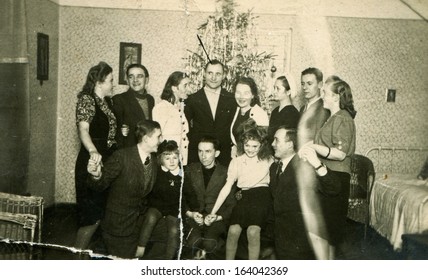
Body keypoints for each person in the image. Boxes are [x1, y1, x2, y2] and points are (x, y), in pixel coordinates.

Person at [86, 120, 162, 259]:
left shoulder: (154, 160)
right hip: (118, 226)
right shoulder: (122, 157)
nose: (161, 140)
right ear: (146, 138)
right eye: (158, 136)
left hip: (136, 226)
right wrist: (97, 174)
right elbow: (99, 185)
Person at [299, 77, 357, 259]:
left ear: (336, 97)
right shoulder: (333, 118)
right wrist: (310, 144)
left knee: (327, 233)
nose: (322, 95)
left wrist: (314, 148)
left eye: (325, 93)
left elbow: (340, 153)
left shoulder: (343, 119)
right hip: (326, 176)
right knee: (323, 233)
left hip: (336, 179)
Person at [208, 125, 273, 260]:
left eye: (255, 146)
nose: (250, 149)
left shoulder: (268, 160)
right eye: (247, 145)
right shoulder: (236, 162)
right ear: (242, 144)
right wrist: (213, 212)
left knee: (253, 232)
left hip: (261, 197)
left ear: (262, 145)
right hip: (244, 197)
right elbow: (227, 187)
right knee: (233, 231)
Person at [74, 61, 117, 250]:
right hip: (92, 161)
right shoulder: (87, 99)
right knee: (91, 216)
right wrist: (92, 150)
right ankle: (76, 256)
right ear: (99, 82)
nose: (112, 84)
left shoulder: (107, 102)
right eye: (110, 80)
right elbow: (83, 129)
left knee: (102, 214)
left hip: (106, 161)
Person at [137, 140, 197, 259]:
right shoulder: (158, 172)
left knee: (174, 230)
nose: (171, 161)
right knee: (151, 217)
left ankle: (168, 260)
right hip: (157, 205)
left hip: (174, 208)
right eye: (167, 158)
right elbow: (147, 188)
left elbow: (190, 193)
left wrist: (195, 208)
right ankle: (140, 247)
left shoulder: (182, 174)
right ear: (160, 159)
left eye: (175, 158)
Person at [183, 136, 236, 259]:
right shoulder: (190, 169)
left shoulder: (226, 173)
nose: (203, 156)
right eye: (200, 151)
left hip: (216, 219)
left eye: (208, 151)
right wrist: (191, 214)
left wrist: (217, 217)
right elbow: (183, 198)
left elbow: (231, 204)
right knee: (192, 243)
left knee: (210, 244)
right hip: (194, 218)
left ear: (216, 153)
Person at [184, 59, 236, 166]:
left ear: (223, 76)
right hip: (199, 156)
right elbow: (185, 127)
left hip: (224, 156)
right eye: (210, 73)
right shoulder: (192, 99)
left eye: (218, 74)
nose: (213, 77)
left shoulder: (231, 99)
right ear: (204, 74)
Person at [112, 63, 155, 148]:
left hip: (147, 149)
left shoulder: (150, 99)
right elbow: (115, 132)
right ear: (127, 80)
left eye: (139, 76)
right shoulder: (119, 99)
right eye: (131, 77)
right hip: (128, 151)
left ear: (147, 79)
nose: (135, 80)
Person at [153, 71, 190, 165]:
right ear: (174, 88)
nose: (189, 89)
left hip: (179, 160)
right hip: (168, 161)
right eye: (185, 85)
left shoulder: (179, 107)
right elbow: (158, 138)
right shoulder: (162, 107)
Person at [230, 76, 269, 157]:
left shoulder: (259, 114)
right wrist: (234, 147)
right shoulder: (235, 111)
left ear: (252, 95)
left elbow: (264, 145)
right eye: (238, 92)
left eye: (246, 93)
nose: (241, 96)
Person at [298, 67, 330, 148]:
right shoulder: (302, 108)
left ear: (320, 85)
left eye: (309, 83)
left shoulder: (324, 108)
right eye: (302, 84)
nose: (304, 87)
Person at [267, 75, 300, 142]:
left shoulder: (292, 114)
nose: (274, 92)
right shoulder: (275, 111)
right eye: (274, 88)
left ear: (288, 92)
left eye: (278, 89)